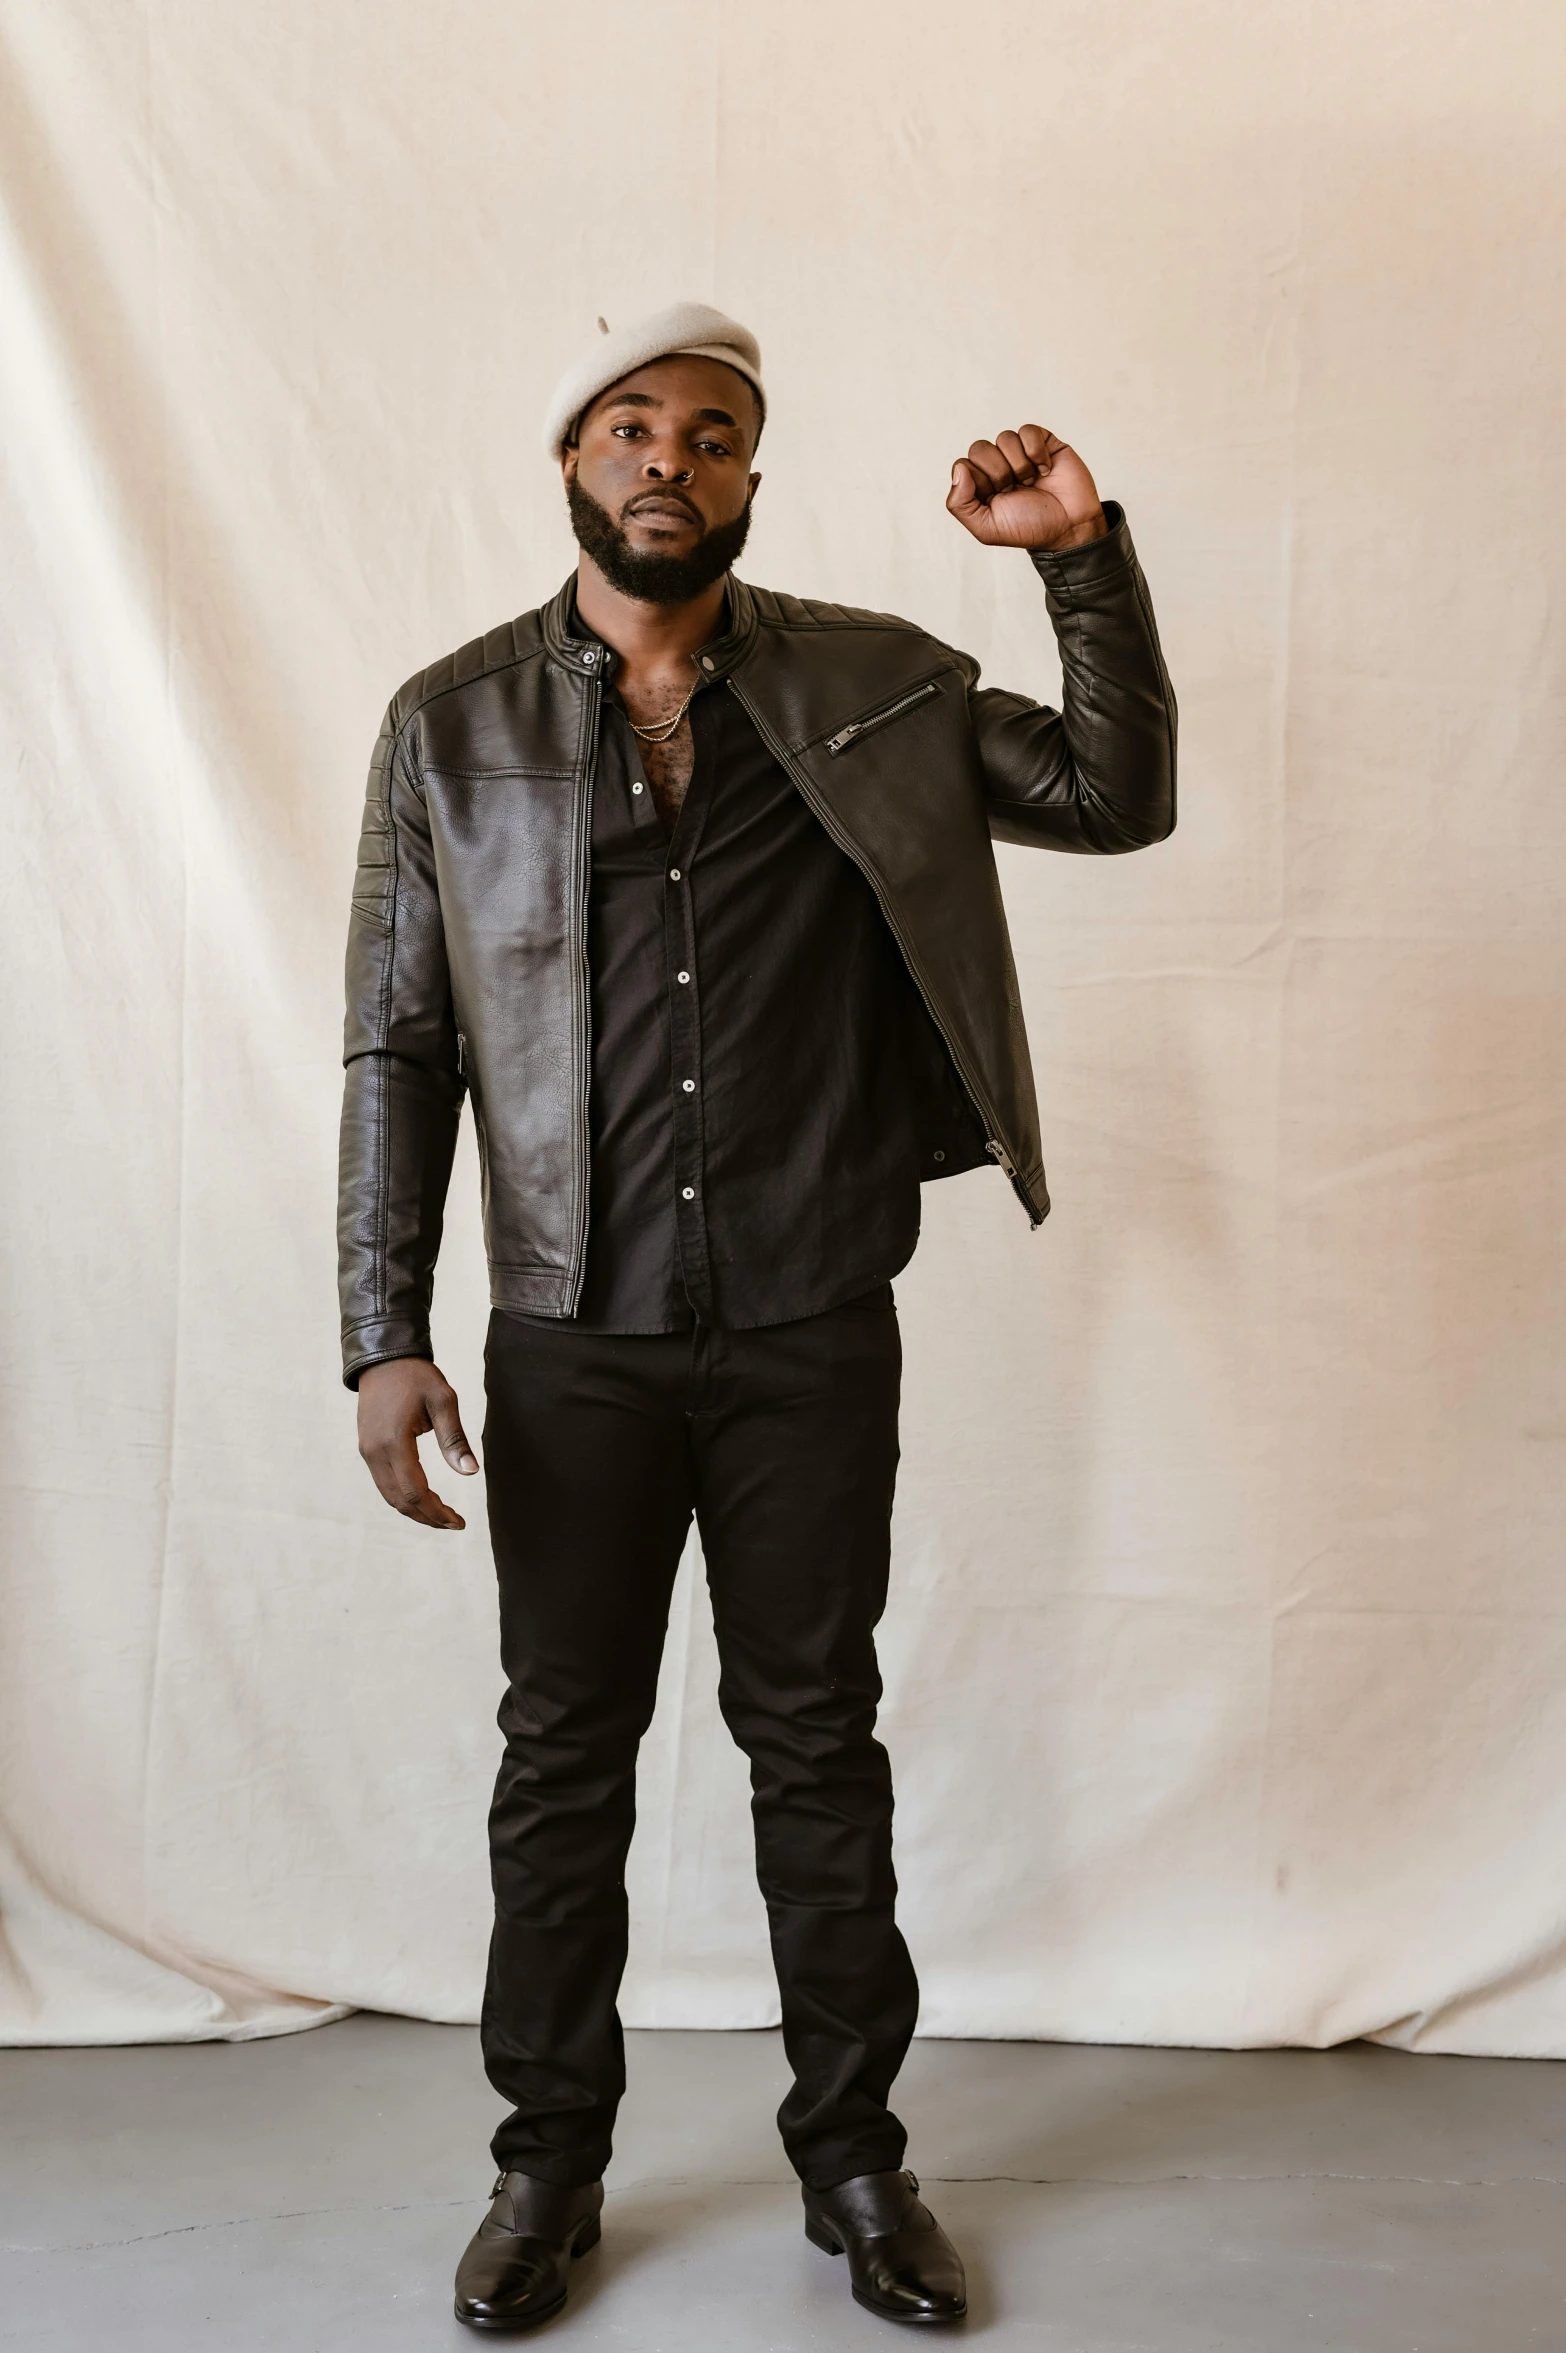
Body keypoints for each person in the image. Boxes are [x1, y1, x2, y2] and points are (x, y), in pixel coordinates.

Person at [339, 300, 1176, 2332]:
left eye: (712, 436)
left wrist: (1080, 555)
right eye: (630, 427)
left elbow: (1109, 793)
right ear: (569, 463)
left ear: (751, 478)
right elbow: (400, 1043)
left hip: (810, 1317)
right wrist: (384, 1329)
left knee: (818, 1746)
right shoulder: (449, 728)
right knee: (566, 1759)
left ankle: (860, 2166)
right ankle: (545, 2171)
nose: (668, 462)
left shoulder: (873, 690)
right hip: (571, 1337)